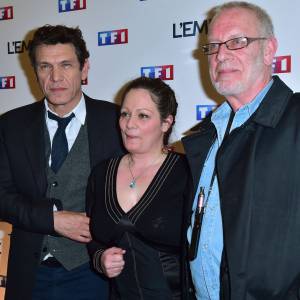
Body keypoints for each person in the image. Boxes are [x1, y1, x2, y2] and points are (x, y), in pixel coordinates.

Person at [182, 1, 300, 299]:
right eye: (213, 46)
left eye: (237, 41)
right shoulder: (205, 136)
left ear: (269, 49)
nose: (221, 54)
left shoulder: (295, 121)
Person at [0, 25, 124, 300]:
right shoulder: (11, 125)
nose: (55, 77)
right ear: (35, 72)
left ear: (85, 68)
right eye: (45, 66)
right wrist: (52, 220)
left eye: (66, 64)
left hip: (95, 273)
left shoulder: (117, 121)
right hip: (30, 275)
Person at [86, 76, 192, 299]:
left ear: (166, 122)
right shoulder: (102, 173)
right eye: (125, 114)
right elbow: (93, 238)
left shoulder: (186, 173)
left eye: (143, 115)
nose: (129, 124)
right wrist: (100, 258)